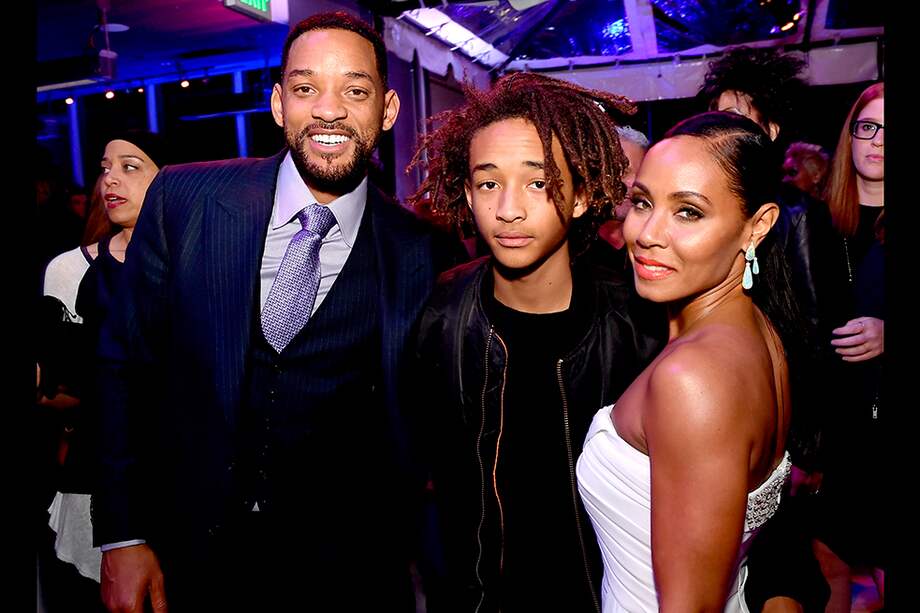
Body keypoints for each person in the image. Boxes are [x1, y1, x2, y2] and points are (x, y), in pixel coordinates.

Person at [93, 12, 459, 612]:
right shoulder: (185, 202)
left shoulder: (424, 250)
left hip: (349, 573)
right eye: (306, 87)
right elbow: (122, 368)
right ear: (277, 103)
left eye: (356, 91)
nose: (329, 110)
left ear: (388, 111)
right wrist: (124, 534)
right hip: (191, 558)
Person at [408, 72, 663, 612]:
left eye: (538, 181)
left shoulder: (638, 325)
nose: (508, 209)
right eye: (488, 182)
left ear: (581, 195)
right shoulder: (443, 315)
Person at [577, 112, 805, 611]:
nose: (646, 233)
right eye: (641, 202)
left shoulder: (694, 378)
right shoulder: (758, 332)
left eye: (688, 212)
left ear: (757, 226)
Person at [39, 130, 168, 612]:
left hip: (182, 490)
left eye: (130, 166)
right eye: (105, 166)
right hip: (97, 484)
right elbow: (65, 382)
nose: (110, 178)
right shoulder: (71, 271)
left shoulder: (200, 263)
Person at [811, 82, 885, 612]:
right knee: (827, 562)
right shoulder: (809, 225)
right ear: (851, 134)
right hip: (833, 427)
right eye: (869, 127)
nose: (879, 142)